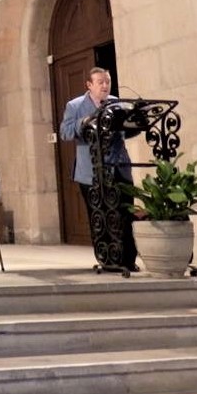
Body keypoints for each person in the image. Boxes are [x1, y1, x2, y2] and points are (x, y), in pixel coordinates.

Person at [59, 66, 137, 271]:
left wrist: (135, 123)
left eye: (107, 82)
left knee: (125, 214)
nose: (105, 86)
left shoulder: (116, 103)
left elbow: (126, 132)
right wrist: (84, 122)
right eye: (100, 82)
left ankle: (128, 260)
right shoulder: (75, 105)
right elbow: (65, 132)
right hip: (91, 171)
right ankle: (107, 260)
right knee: (99, 214)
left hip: (119, 167)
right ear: (89, 85)